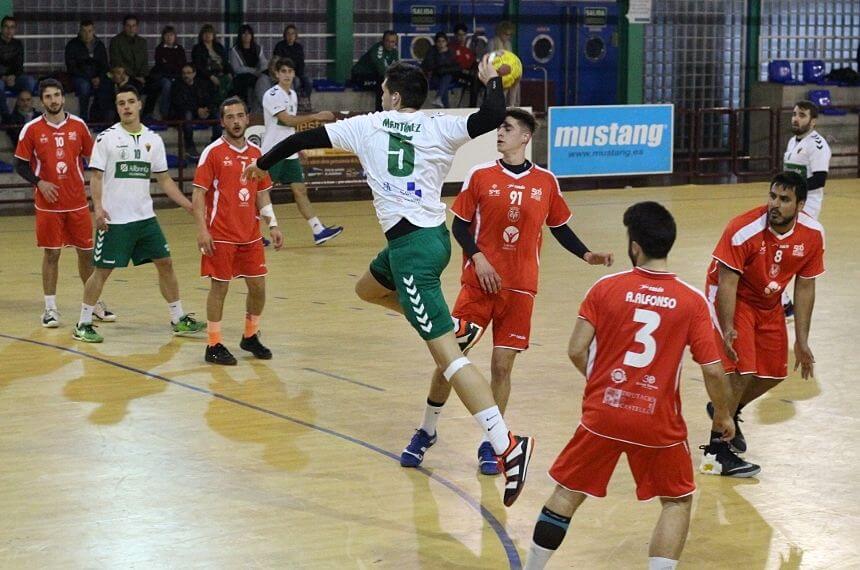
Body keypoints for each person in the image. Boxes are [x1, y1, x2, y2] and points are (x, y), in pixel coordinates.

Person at [245, 57, 535, 507]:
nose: (380, 94)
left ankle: (507, 444)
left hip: (413, 255)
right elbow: (492, 117)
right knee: (366, 287)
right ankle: (440, 327)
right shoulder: (439, 125)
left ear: (394, 96)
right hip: (429, 240)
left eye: (384, 89)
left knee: (451, 360)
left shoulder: (368, 125)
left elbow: (303, 138)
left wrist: (262, 164)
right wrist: (492, 80)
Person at [523, 201, 736, 570]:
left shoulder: (606, 288)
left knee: (568, 493)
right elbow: (715, 371)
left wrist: (602, 385)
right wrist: (723, 415)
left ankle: (531, 567)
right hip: (658, 422)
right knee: (676, 501)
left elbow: (576, 349)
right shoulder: (691, 301)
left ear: (634, 245)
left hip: (603, 413)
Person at [399, 108, 613, 474]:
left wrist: (586, 254)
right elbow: (460, 226)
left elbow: (559, 226)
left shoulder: (546, 181)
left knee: (502, 366)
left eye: (508, 128)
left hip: (520, 290)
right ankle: (427, 430)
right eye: (500, 127)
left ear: (525, 138)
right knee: (450, 357)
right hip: (479, 285)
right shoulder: (480, 175)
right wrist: (479, 259)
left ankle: (491, 443)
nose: (500, 132)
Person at [699, 171, 825, 476]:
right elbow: (727, 283)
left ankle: (727, 409)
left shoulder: (812, 234)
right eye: (772, 197)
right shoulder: (743, 229)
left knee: (774, 373)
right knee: (742, 370)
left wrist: (803, 340)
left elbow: (805, 287)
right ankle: (716, 454)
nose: (775, 205)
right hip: (733, 295)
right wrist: (728, 328)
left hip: (768, 301)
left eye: (784, 199)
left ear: (800, 204)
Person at [72, 84, 206, 343]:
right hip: (115, 221)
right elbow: (96, 176)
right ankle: (83, 322)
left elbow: (165, 180)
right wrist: (98, 208)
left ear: (139, 105)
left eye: (130, 102)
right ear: (117, 107)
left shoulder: (152, 140)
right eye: (121, 103)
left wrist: (188, 205)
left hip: (145, 219)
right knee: (101, 271)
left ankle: (178, 318)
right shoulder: (106, 138)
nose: (126, 107)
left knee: (165, 263)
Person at [13, 78, 115, 327]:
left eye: (57, 95)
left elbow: (95, 161)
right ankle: (49, 309)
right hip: (48, 204)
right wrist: (40, 182)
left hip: (77, 202)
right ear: (41, 101)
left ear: (63, 97)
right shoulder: (32, 129)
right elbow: (19, 163)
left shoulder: (78, 126)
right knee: (52, 254)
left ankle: (93, 305)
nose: (54, 100)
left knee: (86, 253)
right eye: (48, 96)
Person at [192, 96, 283, 365]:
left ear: (247, 119)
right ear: (222, 121)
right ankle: (213, 344)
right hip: (220, 235)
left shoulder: (257, 155)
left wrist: (273, 224)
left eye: (240, 116)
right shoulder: (213, 152)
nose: (236, 121)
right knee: (219, 288)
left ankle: (250, 336)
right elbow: (199, 195)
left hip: (251, 235)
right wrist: (201, 231)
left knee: (258, 287)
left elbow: (262, 194)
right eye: (230, 117)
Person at [261, 57, 342, 245]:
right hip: (273, 151)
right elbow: (286, 120)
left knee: (300, 190)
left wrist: (298, 147)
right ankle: (251, 234)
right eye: (283, 71)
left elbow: (290, 127)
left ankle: (318, 230)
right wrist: (316, 116)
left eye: (290, 71)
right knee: (263, 193)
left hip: (289, 151)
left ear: (294, 74)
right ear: (277, 74)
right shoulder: (272, 94)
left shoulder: (293, 95)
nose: (287, 75)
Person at [781, 100, 831, 318]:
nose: (796, 118)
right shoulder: (793, 141)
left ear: (813, 121)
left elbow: (820, 179)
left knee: (785, 251)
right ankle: (782, 301)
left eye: (802, 115)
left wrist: (794, 191)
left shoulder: (817, 145)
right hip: (790, 203)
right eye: (794, 114)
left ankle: (784, 304)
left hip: (805, 206)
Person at [170, 63, 219, 159]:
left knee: (217, 116)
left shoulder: (202, 84)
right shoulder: (176, 85)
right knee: (187, 115)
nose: (186, 76)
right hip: (185, 113)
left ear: (194, 73)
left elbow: (209, 99)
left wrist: (207, 109)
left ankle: (214, 144)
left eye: (188, 73)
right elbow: (180, 104)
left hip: (200, 112)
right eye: (184, 73)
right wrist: (197, 110)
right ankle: (190, 147)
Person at [64, 19, 109, 122]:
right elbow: (71, 67)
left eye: (89, 31)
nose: (87, 34)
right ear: (80, 32)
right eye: (84, 31)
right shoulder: (72, 45)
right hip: (79, 76)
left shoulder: (99, 45)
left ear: (93, 31)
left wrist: (99, 77)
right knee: (84, 87)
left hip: (97, 76)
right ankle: (84, 118)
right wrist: (89, 78)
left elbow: (104, 65)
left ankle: (102, 117)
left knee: (107, 85)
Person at [144, 25, 186, 119]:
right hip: (164, 76)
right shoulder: (159, 49)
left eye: (171, 35)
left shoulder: (180, 49)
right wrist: (172, 65)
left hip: (177, 76)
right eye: (166, 35)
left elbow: (182, 65)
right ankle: (165, 114)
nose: (169, 37)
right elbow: (161, 66)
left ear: (175, 36)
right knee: (167, 85)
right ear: (163, 37)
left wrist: (169, 64)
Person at [351, 31, 398, 112]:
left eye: (392, 42)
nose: (390, 44)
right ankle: (380, 113)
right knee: (383, 84)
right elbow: (382, 71)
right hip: (360, 76)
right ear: (383, 41)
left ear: (396, 42)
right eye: (387, 41)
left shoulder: (394, 52)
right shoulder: (378, 50)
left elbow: (396, 69)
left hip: (375, 77)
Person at [0, 15, 37, 113]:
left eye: (12, 27)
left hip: (14, 78)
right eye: (6, 27)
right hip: (1, 79)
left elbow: (19, 65)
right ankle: (6, 117)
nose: (9, 30)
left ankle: (18, 114)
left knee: (30, 82)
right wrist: (3, 77)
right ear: (1, 28)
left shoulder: (18, 44)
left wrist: (14, 76)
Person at [192, 24, 232, 107]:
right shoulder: (198, 48)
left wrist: (229, 72)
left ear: (213, 35)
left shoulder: (219, 47)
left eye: (210, 33)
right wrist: (210, 76)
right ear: (201, 35)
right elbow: (198, 66)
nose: (208, 35)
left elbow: (225, 62)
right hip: (206, 75)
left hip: (221, 73)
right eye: (205, 33)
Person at [229, 24, 267, 110]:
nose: (246, 36)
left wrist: (261, 71)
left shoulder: (258, 48)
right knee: (246, 80)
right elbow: (237, 69)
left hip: (257, 74)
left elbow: (263, 62)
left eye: (248, 33)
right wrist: (253, 71)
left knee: (265, 79)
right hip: (241, 76)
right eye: (244, 33)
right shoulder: (235, 50)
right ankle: (246, 107)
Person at [109, 15, 148, 92]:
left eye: (133, 26)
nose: (131, 28)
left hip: (140, 76)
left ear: (137, 27)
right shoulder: (116, 41)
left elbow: (144, 61)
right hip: (123, 76)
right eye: (128, 26)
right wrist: (134, 77)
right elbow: (117, 61)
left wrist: (142, 76)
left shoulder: (142, 42)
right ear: (124, 27)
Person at [421, 32, 459, 109]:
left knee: (446, 77)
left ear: (446, 42)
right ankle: (445, 107)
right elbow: (429, 66)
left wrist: (443, 68)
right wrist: (441, 56)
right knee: (444, 83)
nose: (441, 44)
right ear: (436, 42)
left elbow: (456, 67)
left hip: (448, 77)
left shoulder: (450, 52)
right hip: (434, 78)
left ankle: (439, 98)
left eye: (443, 41)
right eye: (439, 41)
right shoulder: (432, 51)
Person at [273, 24, 311, 99]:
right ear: (285, 35)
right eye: (288, 33)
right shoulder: (280, 46)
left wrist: (297, 73)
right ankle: (293, 99)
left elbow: (301, 63)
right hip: (284, 72)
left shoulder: (299, 47)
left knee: (309, 81)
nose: (290, 36)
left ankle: (304, 100)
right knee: (295, 82)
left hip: (297, 72)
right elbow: (277, 62)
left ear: (295, 35)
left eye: (292, 33)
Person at [491, 21, 519, 106]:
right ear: (500, 33)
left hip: (507, 69)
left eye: (510, 35)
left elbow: (511, 58)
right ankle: (501, 106)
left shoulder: (508, 44)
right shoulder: (492, 42)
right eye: (506, 34)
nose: (508, 37)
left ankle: (513, 105)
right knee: (505, 82)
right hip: (495, 70)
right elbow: (488, 58)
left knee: (516, 80)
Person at [451, 23, 479, 107]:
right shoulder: (451, 47)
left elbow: (473, 62)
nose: (462, 37)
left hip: (468, 73)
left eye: (463, 35)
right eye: (459, 35)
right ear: (455, 35)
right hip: (457, 73)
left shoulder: (468, 50)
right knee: (474, 79)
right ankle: (472, 106)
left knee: (479, 79)